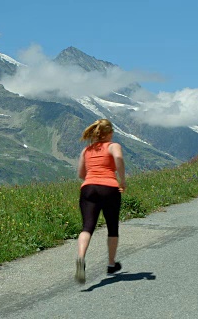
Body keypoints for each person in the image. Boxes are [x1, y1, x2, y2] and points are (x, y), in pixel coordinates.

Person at [75, 118, 126, 284]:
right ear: (109, 133)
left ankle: (81, 258)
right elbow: (118, 158)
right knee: (112, 226)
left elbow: (81, 174)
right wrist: (122, 180)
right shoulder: (113, 146)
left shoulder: (86, 150)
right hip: (110, 187)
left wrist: (92, 176)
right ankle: (111, 264)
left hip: (88, 188)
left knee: (87, 226)